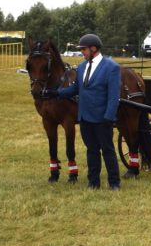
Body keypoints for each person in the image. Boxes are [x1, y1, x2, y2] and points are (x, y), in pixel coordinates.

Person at [52, 34, 123, 190]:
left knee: (107, 150)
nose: (82, 52)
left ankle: (114, 183)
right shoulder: (82, 67)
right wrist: (58, 93)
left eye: (84, 49)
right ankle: (93, 182)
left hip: (103, 117)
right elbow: (77, 88)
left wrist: (109, 117)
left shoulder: (111, 67)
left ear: (93, 48)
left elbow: (113, 96)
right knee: (91, 151)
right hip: (85, 116)